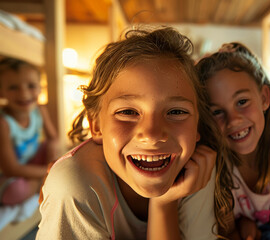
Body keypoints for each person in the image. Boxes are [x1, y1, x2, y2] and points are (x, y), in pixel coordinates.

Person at [37, 26, 233, 240]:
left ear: (197, 125)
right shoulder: (74, 185)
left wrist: (163, 203)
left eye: (176, 112)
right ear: (96, 126)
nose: (152, 134)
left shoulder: (196, 165)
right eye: (128, 112)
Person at [196, 42, 270, 240]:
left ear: (264, 98)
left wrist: (249, 227)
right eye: (217, 112)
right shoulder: (214, 163)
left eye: (242, 102)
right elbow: (227, 233)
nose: (234, 119)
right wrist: (244, 226)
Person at [0, 57, 58, 206]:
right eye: (13, 87)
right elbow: (11, 169)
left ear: (40, 88)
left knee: (52, 146)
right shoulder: (4, 123)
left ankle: (44, 180)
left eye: (31, 86)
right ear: (1, 92)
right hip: (9, 173)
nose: (24, 94)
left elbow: (53, 138)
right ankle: (43, 183)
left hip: (31, 161)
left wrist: (51, 162)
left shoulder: (40, 110)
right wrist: (48, 172)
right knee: (14, 191)